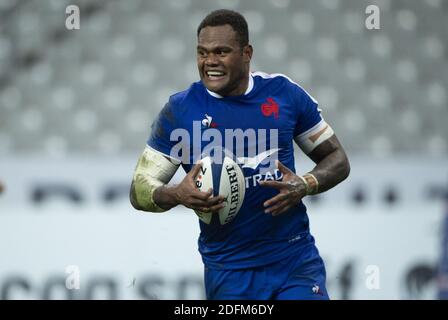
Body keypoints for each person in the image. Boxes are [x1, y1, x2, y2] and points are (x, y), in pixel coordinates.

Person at [130, 9, 350, 300]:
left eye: (221, 51)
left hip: (293, 260)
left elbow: (337, 160)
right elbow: (139, 189)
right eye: (202, 53)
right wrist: (176, 195)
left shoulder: (284, 94)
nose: (210, 62)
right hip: (229, 272)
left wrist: (306, 184)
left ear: (247, 53)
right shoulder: (180, 111)